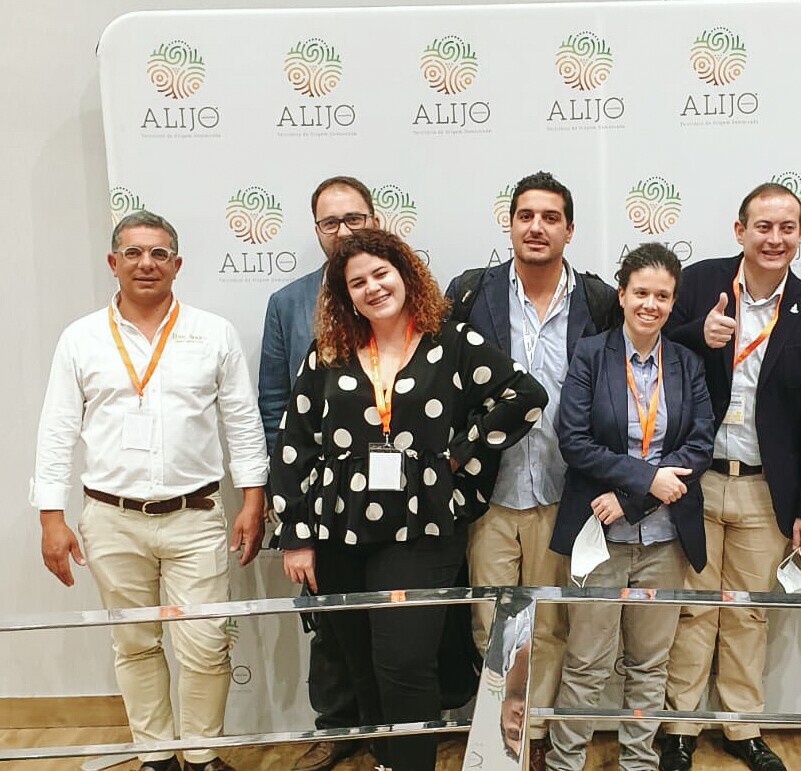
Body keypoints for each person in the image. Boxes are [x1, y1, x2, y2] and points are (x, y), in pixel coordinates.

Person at [271, 228, 547, 771]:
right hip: (338, 530)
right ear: (345, 295)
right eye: (357, 283)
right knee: (361, 665)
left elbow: (525, 396)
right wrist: (296, 535)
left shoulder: (452, 342)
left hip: (422, 530)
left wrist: (459, 453)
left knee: (405, 662)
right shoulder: (328, 352)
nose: (373, 288)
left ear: (405, 275)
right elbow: (294, 444)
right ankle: (386, 760)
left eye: (381, 274)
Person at [32, 211, 268, 771]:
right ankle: (156, 757)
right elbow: (57, 429)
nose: (147, 263)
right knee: (134, 644)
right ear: (113, 262)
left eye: (159, 253)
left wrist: (253, 499)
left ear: (177, 264)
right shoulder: (81, 338)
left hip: (196, 514)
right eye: (134, 253)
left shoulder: (213, 333)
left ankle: (202, 756)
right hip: (110, 518)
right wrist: (50, 517)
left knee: (206, 643)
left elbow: (242, 421)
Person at [660, 182, 801, 771]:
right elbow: (643, 346)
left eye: (787, 228)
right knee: (692, 608)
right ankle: (679, 728)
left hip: (767, 490)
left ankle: (742, 727)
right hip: (694, 480)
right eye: (763, 226)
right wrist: (696, 334)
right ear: (740, 231)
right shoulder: (696, 284)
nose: (775, 238)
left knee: (747, 612)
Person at [444, 170, 620, 767]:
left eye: (550, 217)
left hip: (564, 490)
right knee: (492, 623)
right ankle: (500, 743)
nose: (537, 227)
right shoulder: (472, 292)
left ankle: (535, 737)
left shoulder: (598, 301)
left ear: (570, 229)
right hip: (490, 492)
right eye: (526, 216)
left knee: (548, 624)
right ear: (510, 224)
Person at [545, 243, 715, 771]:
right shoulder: (591, 355)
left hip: (665, 540)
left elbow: (699, 445)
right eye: (641, 292)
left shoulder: (687, 363)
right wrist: (645, 480)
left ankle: (639, 761)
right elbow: (574, 441)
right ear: (621, 295)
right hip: (599, 538)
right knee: (586, 663)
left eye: (662, 296)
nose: (651, 304)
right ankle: (565, 762)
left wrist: (631, 498)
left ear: (673, 302)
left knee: (650, 664)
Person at [259, 175, 375, 771]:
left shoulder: (404, 290)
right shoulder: (289, 303)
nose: (343, 231)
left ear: (374, 220)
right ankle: (336, 726)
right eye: (331, 222)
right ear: (316, 231)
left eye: (354, 218)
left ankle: (398, 730)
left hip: (398, 492)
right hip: (318, 494)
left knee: (398, 617)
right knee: (329, 617)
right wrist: (286, 497)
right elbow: (273, 406)